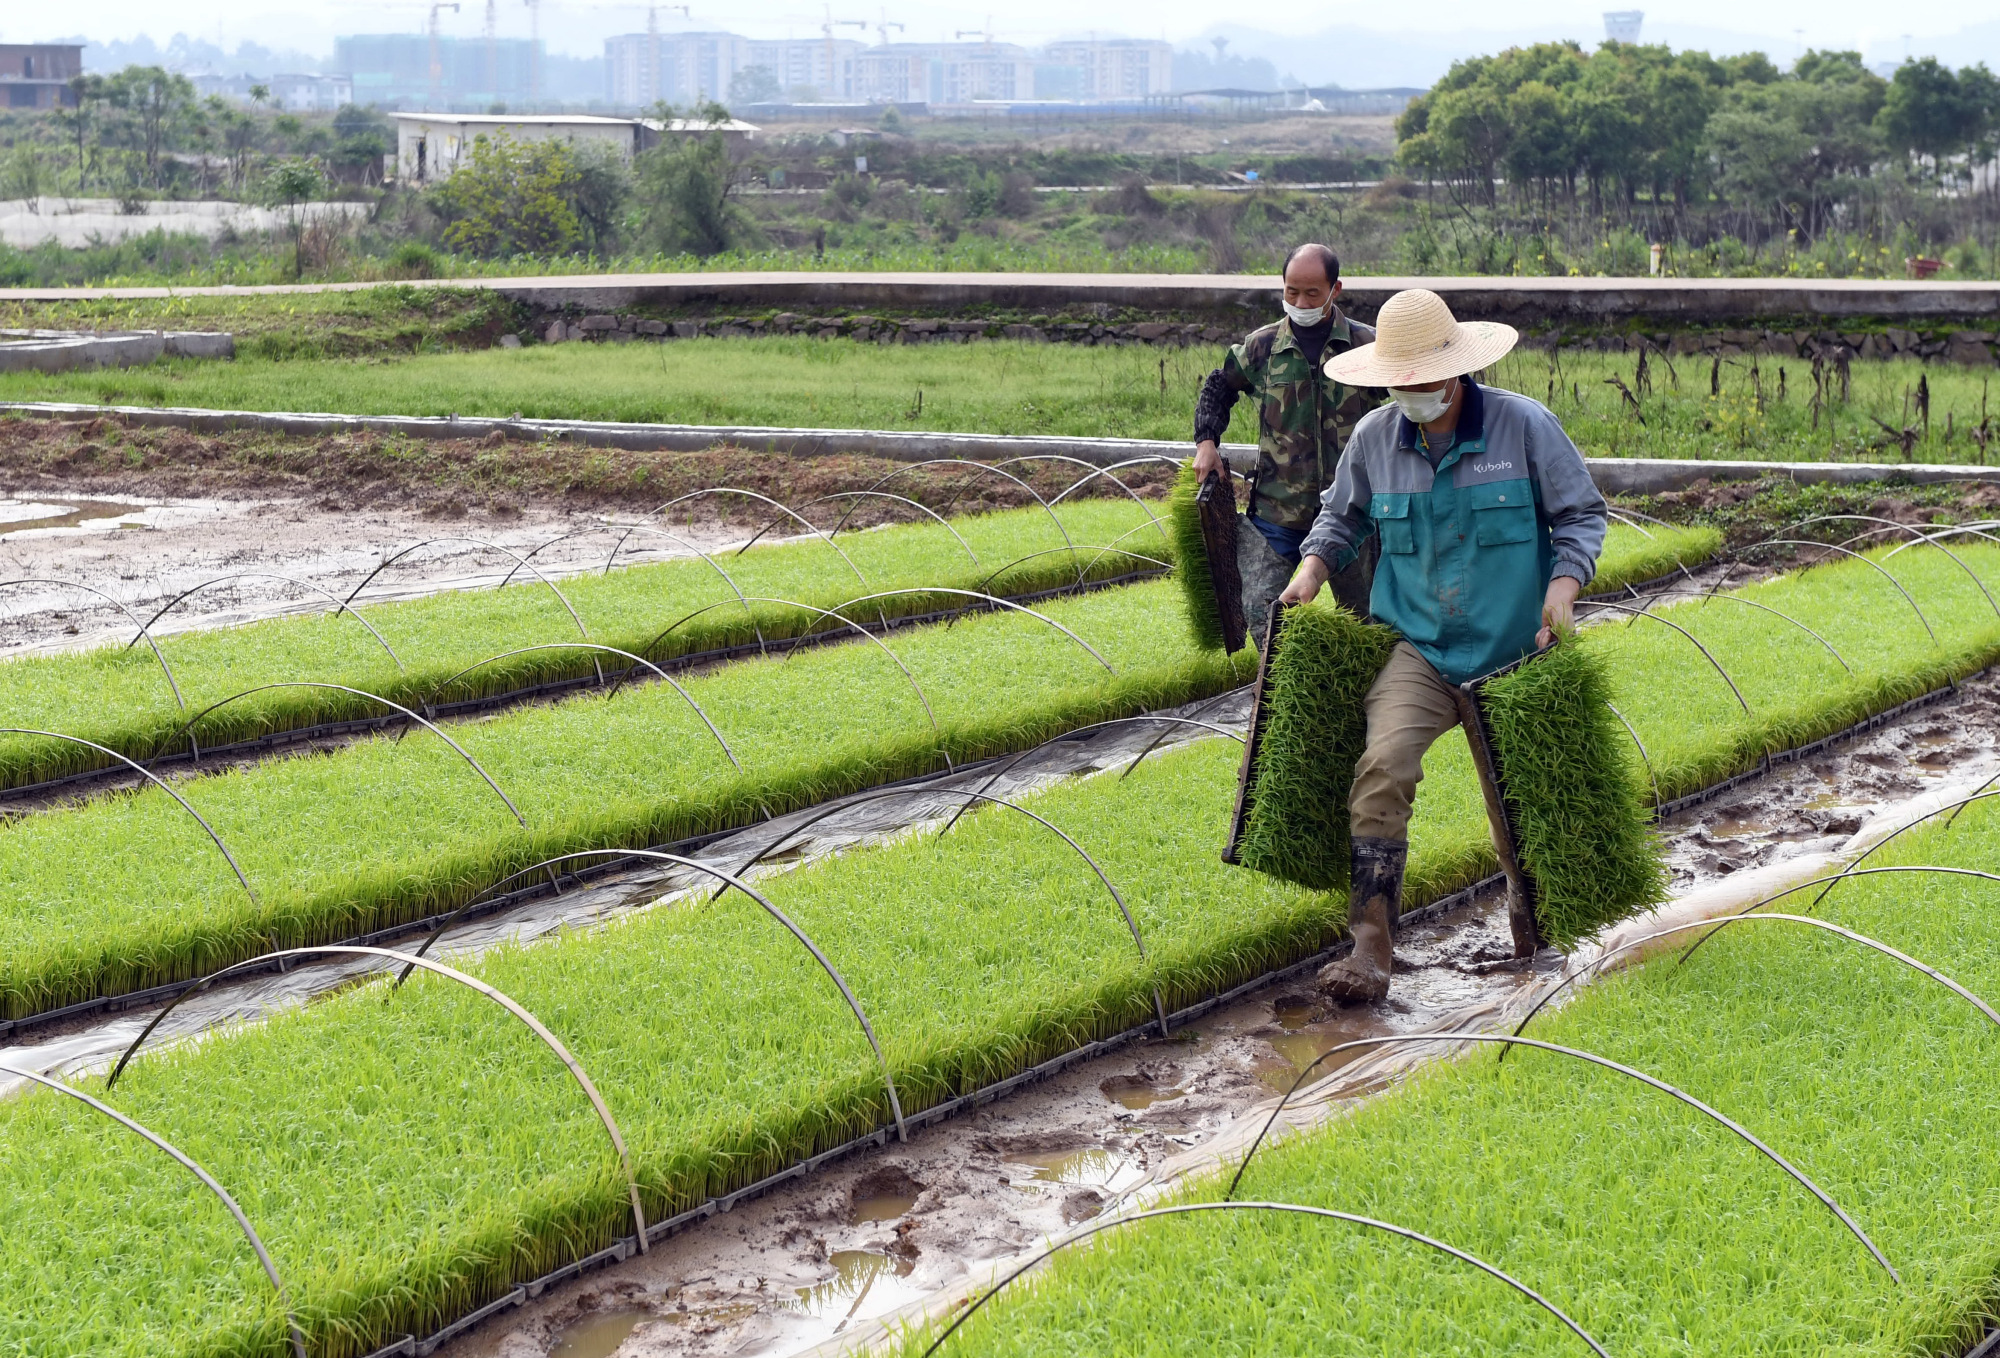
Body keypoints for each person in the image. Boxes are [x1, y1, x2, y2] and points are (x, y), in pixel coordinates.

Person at [1280, 288, 1609, 1005]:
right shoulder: (1373, 438)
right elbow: (1339, 522)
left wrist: (1563, 586)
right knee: (1382, 767)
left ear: (1456, 370)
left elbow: (1581, 514)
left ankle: (1536, 944)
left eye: (1424, 380)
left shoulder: (1523, 428)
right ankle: (1369, 947)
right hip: (1419, 646)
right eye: (1399, 382)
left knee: (1519, 809)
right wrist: (1309, 575)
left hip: (1516, 648)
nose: (1414, 394)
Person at [1191, 243, 1379, 637]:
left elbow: (1412, 394)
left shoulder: (1366, 346)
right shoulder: (1263, 346)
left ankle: (1362, 696)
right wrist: (1207, 442)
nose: (1300, 301)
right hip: (1278, 511)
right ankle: (1280, 692)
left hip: (1351, 512)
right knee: (1262, 615)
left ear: (1335, 289)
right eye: (1292, 291)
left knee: (1367, 620)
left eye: (1312, 293)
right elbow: (1218, 387)